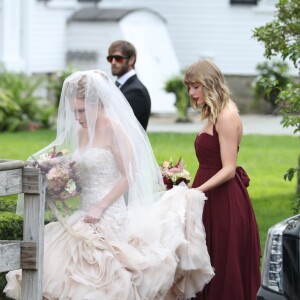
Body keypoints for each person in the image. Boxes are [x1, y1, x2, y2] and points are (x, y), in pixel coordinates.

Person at [4, 70, 214, 300]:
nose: (77, 117)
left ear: (99, 104)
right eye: (74, 111)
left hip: (109, 212)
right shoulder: (81, 131)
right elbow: (78, 166)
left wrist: (100, 207)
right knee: (59, 268)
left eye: (82, 110)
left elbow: (129, 176)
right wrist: (58, 177)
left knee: (101, 277)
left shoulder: (115, 128)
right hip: (84, 211)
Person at [183, 59, 261, 300]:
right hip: (207, 193)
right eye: (189, 87)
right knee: (204, 256)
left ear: (210, 84)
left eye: (196, 86)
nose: (191, 93)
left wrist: (196, 191)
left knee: (220, 261)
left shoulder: (227, 115)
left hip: (223, 199)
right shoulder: (213, 113)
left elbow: (228, 168)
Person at [107, 40, 151, 130]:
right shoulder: (118, 85)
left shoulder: (136, 91)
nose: (113, 62)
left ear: (131, 60)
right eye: (110, 58)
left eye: (118, 58)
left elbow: (119, 125)